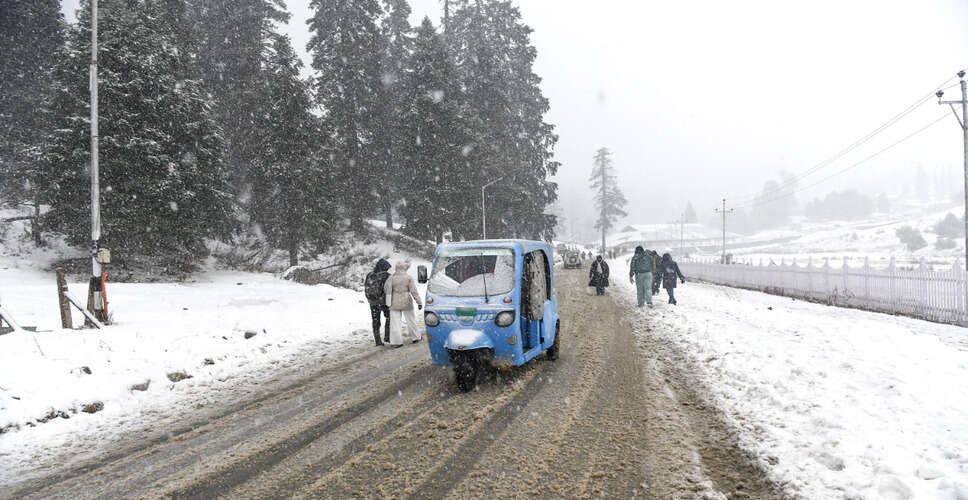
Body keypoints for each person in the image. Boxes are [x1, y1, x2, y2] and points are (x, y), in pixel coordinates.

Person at [384, 260, 423, 347]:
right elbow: (414, 291)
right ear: (404, 268)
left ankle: (396, 342)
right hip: (406, 301)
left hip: (394, 302)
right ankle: (416, 337)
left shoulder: (391, 278)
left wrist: (388, 301)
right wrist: (419, 302)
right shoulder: (408, 278)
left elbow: (386, 289)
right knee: (411, 320)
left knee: (395, 323)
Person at [363, 258, 392, 346]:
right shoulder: (386, 275)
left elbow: (366, 286)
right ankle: (387, 337)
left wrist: (369, 298)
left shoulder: (370, 275)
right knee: (389, 318)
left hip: (372, 302)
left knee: (375, 320)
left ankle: (377, 340)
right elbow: (389, 288)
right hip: (383, 301)